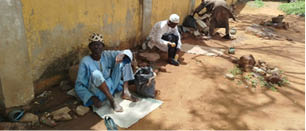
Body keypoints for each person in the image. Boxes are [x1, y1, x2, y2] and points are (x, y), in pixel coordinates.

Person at [75, 33, 138, 112]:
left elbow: (127, 52)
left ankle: (125, 92)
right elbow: (78, 85)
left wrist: (122, 56)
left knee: (125, 59)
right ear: (90, 47)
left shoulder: (107, 55)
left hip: (111, 85)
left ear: (103, 47)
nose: (96, 47)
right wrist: (91, 98)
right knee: (96, 74)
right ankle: (112, 101)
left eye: (99, 44)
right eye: (94, 44)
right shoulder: (85, 61)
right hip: (98, 93)